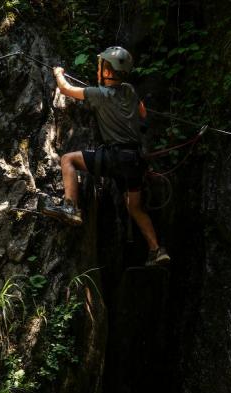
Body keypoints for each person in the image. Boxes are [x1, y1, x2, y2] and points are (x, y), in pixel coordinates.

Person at [42, 46, 170, 267]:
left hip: (116, 159)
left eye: (101, 65)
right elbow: (142, 113)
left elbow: (65, 89)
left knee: (67, 160)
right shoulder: (129, 90)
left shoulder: (97, 94)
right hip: (136, 163)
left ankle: (70, 207)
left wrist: (57, 73)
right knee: (134, 207)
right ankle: (156, 250)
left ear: (108, 71)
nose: (98, 69)